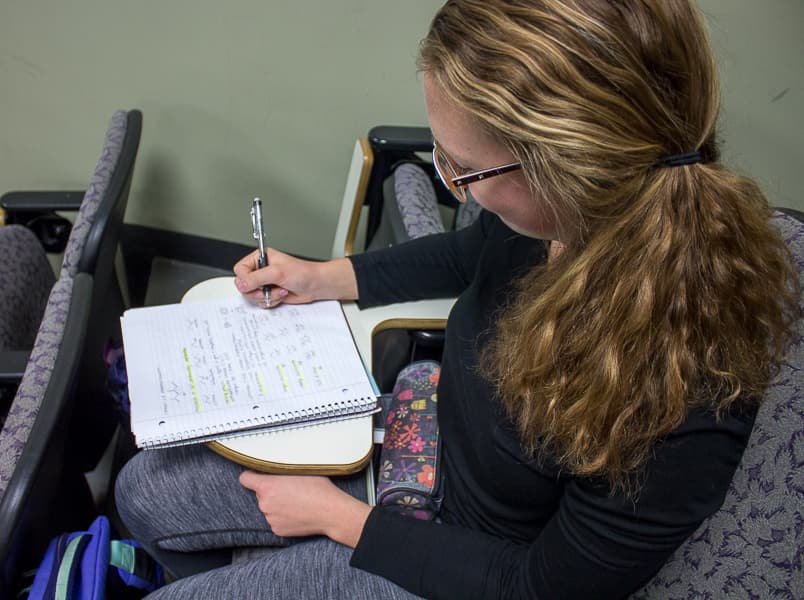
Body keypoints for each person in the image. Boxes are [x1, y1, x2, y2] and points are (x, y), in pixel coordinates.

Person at [115, 0, 800, 598]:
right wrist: (321, 277)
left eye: (462, 168)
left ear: (562, 169)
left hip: (477, 562)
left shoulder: (681, 387)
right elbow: (464, 254)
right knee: (141, 489)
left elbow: (536, 588)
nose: (454, 189)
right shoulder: (557, 219)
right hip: (432, 454)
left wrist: (338, 519)